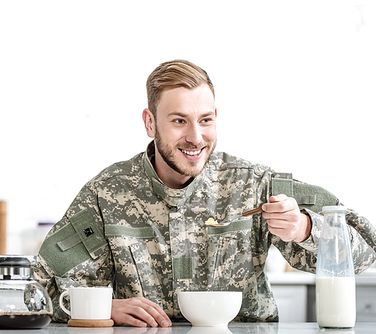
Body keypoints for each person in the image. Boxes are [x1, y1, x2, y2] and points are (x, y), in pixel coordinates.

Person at [34, 59, 376, 327]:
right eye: (179, 121)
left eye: (206, 120)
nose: (196, 137)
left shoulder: (254, 183)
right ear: (150, 123)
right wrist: (102, 308)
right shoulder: (106, 193)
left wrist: (304, 227)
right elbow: (36, 289)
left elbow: (367, 250)